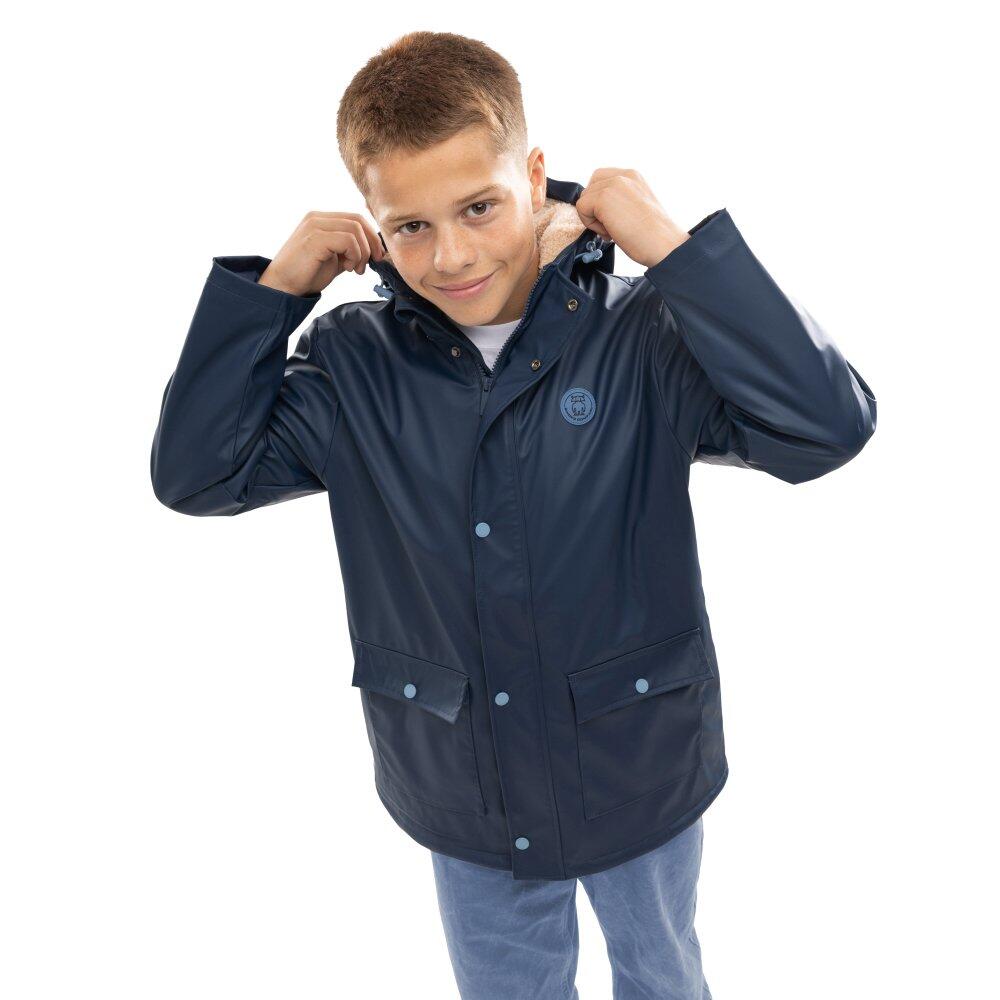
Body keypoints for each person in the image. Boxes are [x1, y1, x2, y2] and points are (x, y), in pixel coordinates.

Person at [150, 30, 877, 1000]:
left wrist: (674, 250)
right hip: (464, 780)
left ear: (533, 176)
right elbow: (197, 474)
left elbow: (826, 426)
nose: (450, 255)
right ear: (370, 223)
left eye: (479, 207)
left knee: (663, 973)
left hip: (635, 758)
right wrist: (275, 293)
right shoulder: (353, 364)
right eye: (409, 226)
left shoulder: (642, 334)